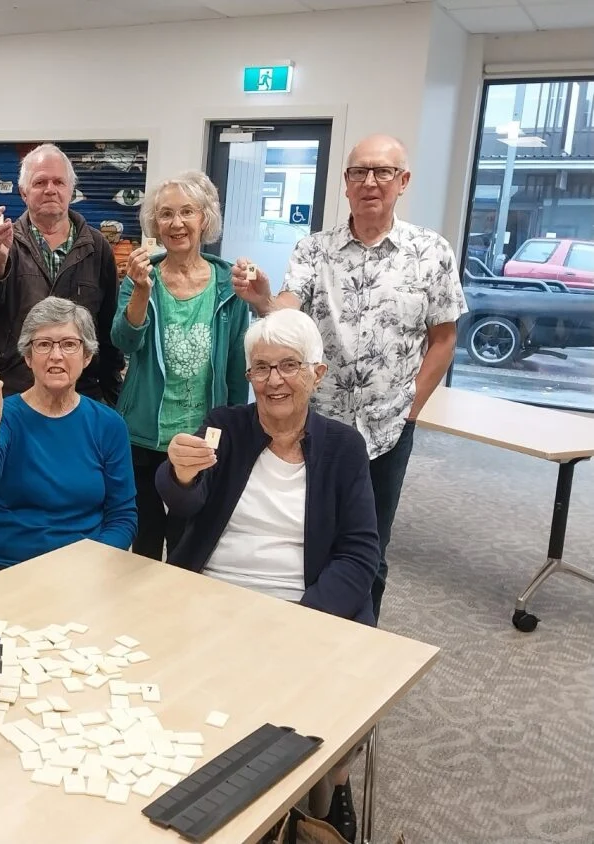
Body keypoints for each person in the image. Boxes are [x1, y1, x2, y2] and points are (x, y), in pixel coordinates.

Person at [156, 308, 379, 842]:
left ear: (317, 374)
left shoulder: (344, 447)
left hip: (303, 603)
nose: (274, 380)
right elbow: (182, 501)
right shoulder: (226, 425)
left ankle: (332, 783)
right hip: (210, 593)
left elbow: (359, 553)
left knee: (320, 690)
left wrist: (301, 617)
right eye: (261, 368)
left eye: (288, 366)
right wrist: (180, 473)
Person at [232, 134, 466, 622]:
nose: (370, 182)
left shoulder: (432, 252)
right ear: (345, 183)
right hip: (318, 425)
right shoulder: (315, 249)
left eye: (382, 172)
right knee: (311, 535)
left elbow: (443, 340)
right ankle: (312, 633)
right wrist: (262, 300)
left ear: (403, 181)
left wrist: (409, 410)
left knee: (371, 547)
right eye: (359, 172)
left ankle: (363, 644)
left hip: (387, 429)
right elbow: (290, 316)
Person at [0, 144, 125, 546]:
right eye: (40, 182)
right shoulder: (4, 239)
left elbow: (105, 328)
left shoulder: (97, 246)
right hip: (15, 392)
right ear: (23, 193)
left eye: (58, 182)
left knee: (77, 488)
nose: (50, 189)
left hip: (80, 393)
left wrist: (108, 393)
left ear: (72, 189)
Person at [112, 170, 250, 562]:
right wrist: (140, 291)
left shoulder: (228, 283)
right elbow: (124, 341)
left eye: (187, 212)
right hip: (144, 435)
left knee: (190, 540)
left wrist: (236, 429)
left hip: (202, 437)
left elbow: (237, 368)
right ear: (155, 224)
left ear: (204, 218)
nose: (176, 223)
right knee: (144, 543)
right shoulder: (141, 274)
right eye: (166, 214)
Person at [0, 297, 137, 569]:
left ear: (87, 356)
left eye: (69, 344)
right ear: (28, 358)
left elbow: (122, 517)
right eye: (44, 344)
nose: (56, 355)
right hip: (7, 565)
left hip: (81, 571)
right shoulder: (4, 412)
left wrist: (91, 564)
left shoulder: (109, 425)